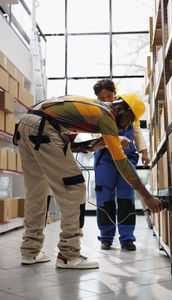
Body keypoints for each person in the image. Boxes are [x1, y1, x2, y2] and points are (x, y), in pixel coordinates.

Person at [14, 94, 163, 269]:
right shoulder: (107, 115)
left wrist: (97, 144)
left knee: (37, 191)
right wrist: (147, 197)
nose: (127, 126)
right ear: (121, 109)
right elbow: (122, 162)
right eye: (129, 121)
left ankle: (30, 251)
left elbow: (69, 146)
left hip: (26, 126)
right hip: (43, 128)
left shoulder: (88, 109)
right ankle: (69, 254)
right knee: (75, 188)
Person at [93, 79, 149, 251]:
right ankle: (106, 237)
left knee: (126, 197)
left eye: (109, 96)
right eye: (102, 97)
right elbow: (97, 138)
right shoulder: (97, 114)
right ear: (97, 98)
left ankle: (127, 238)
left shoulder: (128, 111)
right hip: (105, 159)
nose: (107, 100)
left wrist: (144, 151)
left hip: (128, 158)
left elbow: (137, 132)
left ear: (115, 95)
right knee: (105, 197)